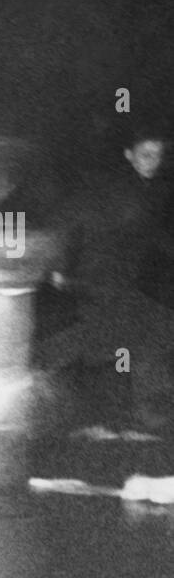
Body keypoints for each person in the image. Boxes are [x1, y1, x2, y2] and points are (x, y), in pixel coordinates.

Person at [38, 125, 174, 433]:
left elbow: (153, 235)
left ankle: (131, 416)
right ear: (129, 155)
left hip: (115, 284)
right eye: (146, 154)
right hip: (99, 281)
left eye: (158, 155)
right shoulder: (121, 190)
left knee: (123, 341)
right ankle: (137, 416)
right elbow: (70, 217)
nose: (153, 161)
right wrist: (59, 268)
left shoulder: (143, 189)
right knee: (131, 337)